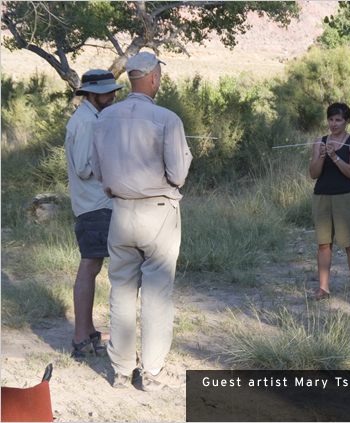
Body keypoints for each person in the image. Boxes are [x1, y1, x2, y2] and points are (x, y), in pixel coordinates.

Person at [92, 52, 192, 390]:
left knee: (120, 290)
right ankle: (150, 371)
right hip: (158, 210)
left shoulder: (104, 117)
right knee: (157, 292)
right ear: (152, 77)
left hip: (120, 211)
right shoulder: (167, 118)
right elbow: (177, 174)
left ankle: (120, 370)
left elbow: (97, 169)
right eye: (159, 75)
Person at [65, 69, 123, 358]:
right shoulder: (87, 122)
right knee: (90, 266)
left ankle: (87, 331)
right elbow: (83, 168)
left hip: (95, 205)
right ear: (90, 93)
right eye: (107, 91)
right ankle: (80, 336)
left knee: (93, 265)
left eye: (114, 90)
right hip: (95, 205)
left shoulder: (90, 117)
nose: (113, 95)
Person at [308, 103, 350, 305]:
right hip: (322, 195)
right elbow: (313, 174)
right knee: (324, 243)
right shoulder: (320, 142)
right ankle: (323, 288)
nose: (334, 124)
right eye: (331, 119)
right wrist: (323, 155)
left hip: (347, 196)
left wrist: (334, 156)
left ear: (347, 121)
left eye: (338, 120)